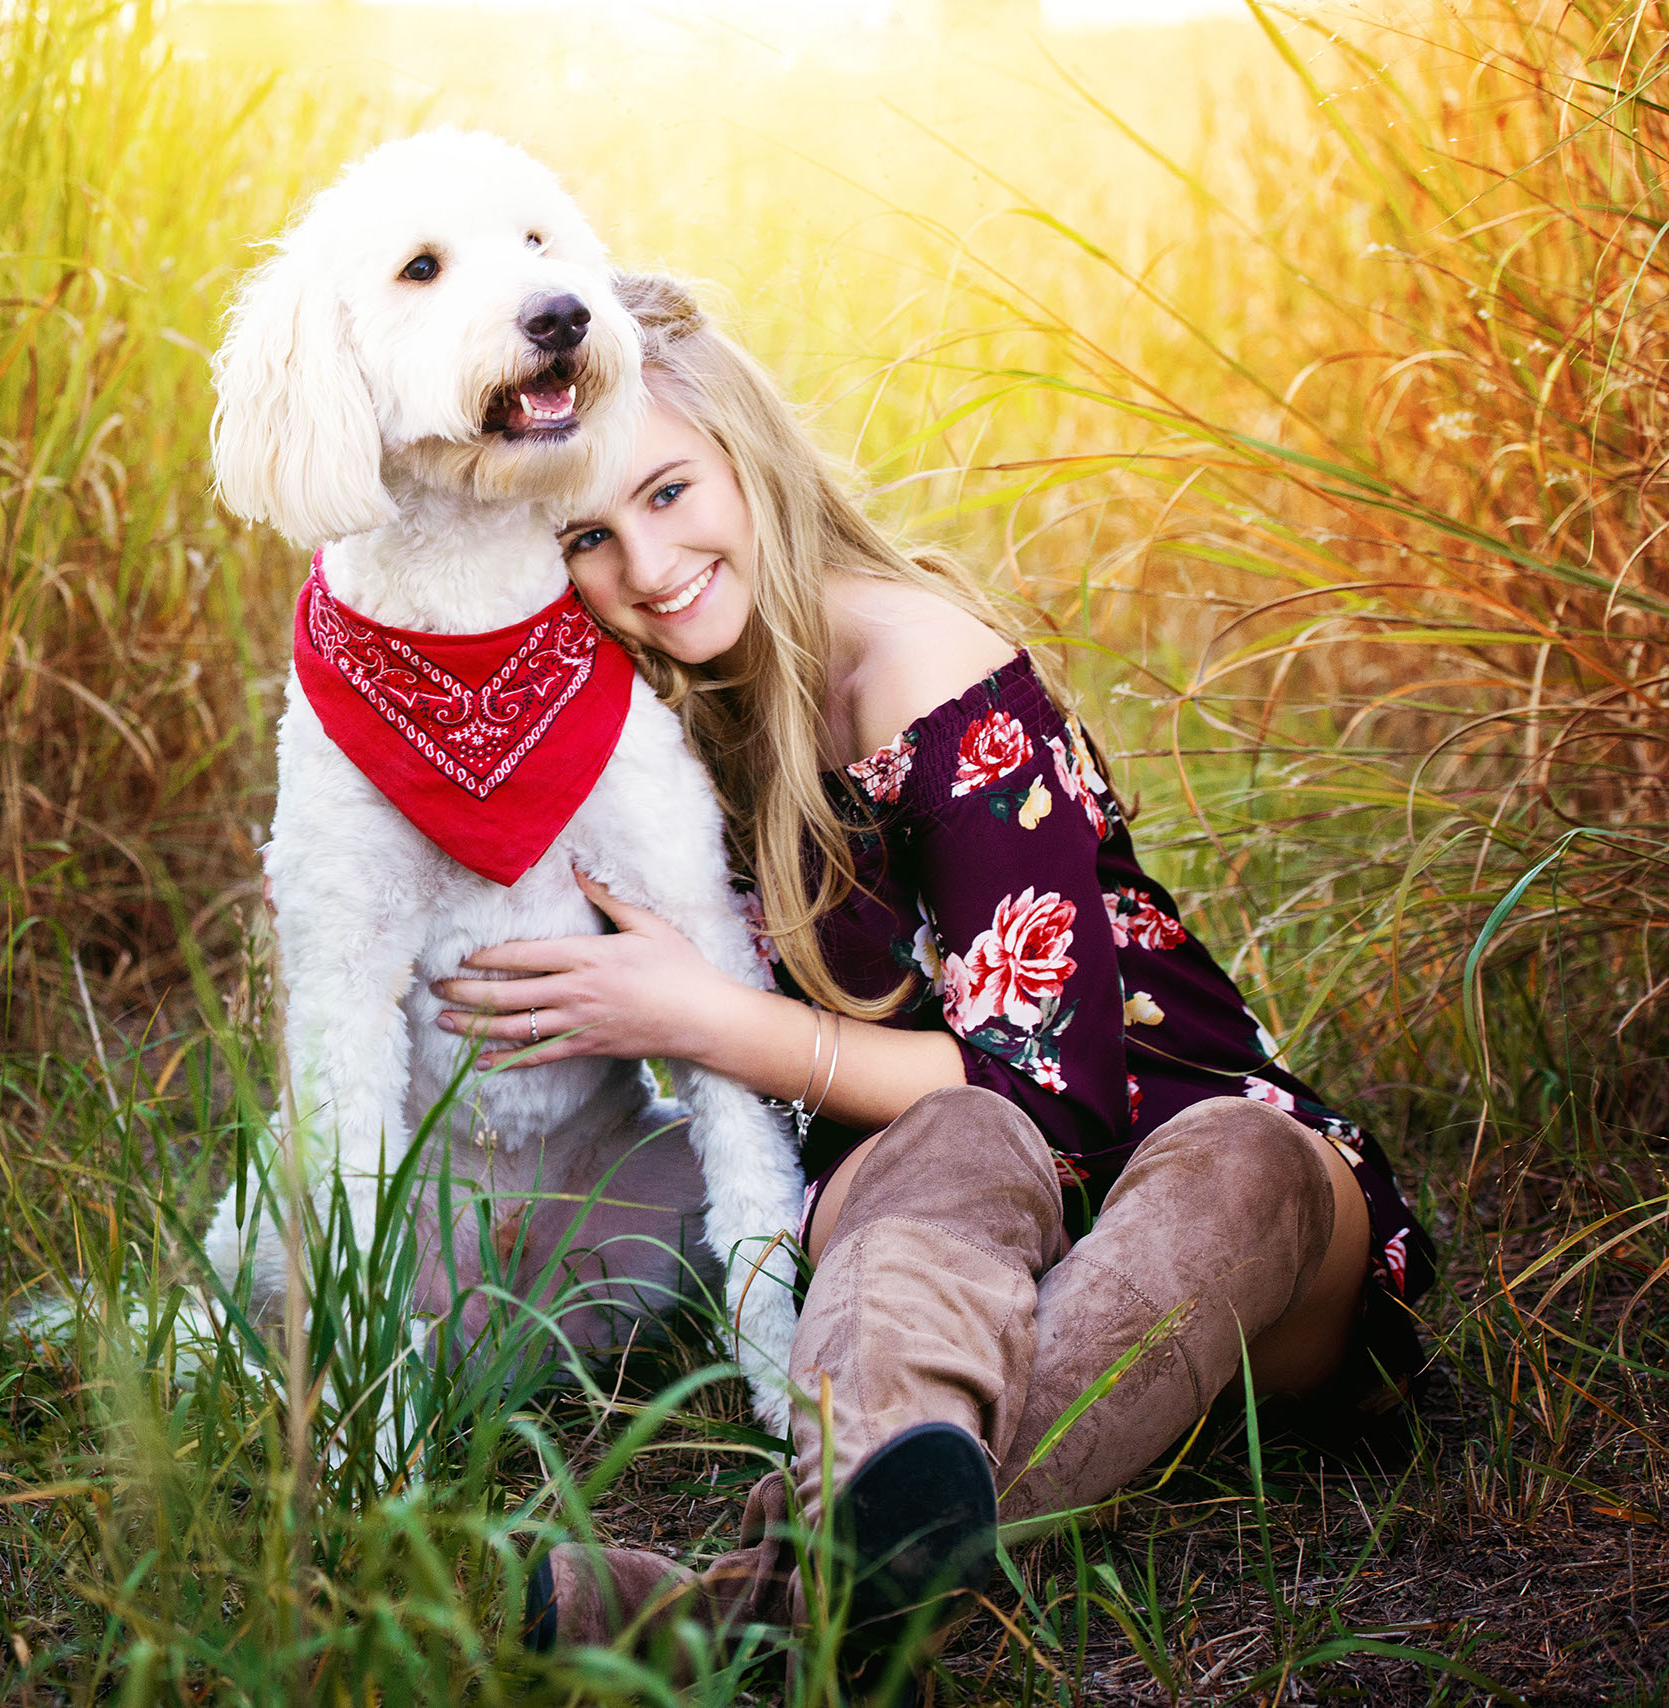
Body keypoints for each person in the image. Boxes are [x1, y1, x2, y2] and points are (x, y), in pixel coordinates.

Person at [430, 276, 1436, 1654]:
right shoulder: (660, 722)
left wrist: (712, 1022)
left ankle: (747, 1611)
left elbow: (1060, 1106)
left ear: (746, 456)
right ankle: (865, 1566)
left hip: (1218, 1232)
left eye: (668, 493)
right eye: (588, 537)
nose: (646, 567)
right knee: (945, 1141)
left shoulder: (922, 668)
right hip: (937, 1251)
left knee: (1230, 1154)